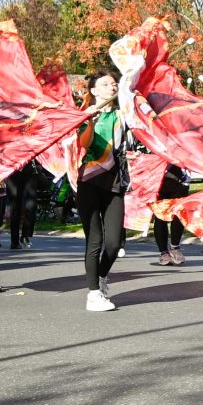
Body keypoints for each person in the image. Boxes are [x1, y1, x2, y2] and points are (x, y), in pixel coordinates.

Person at [72, 72, 129, 311]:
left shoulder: (123, 114)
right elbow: (85, 143)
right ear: (94, 91)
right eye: (105, 84)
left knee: (115, 244)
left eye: (113, 83)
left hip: (115, 183)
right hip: (90, 182)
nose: (111, 86)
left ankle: (101, 277)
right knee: (95, 241)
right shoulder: (85, 114)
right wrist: (91, 120)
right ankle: (93, 293)